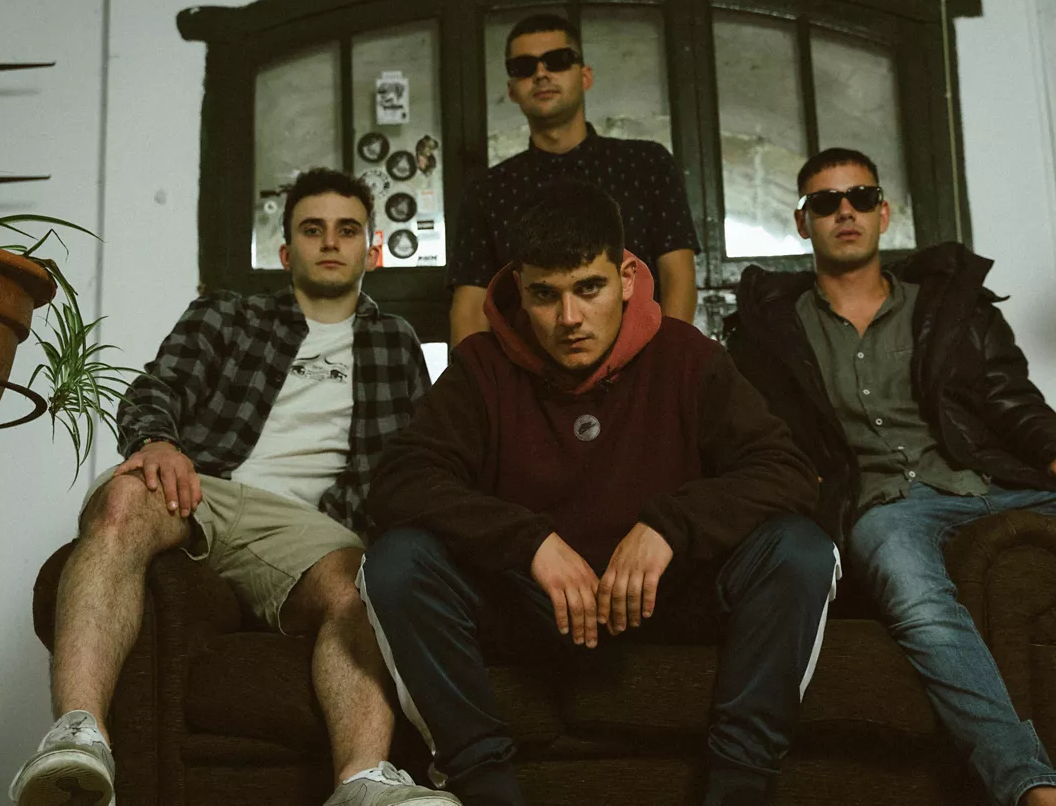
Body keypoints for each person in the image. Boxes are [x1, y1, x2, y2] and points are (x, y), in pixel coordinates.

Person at [725, 147, 1056, 806]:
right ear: (802, 222)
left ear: (884, 212)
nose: (844, 211)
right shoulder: (771, 329)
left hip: (986, 486)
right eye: (825, 202)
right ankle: (1032, 785)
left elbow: (1008, 394)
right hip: (883, 510)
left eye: (860, 197)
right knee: (912, 584)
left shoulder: (949, 305)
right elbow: (761, 438)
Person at [359, 179, 838, 806]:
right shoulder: (481, 368)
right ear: (519, 289)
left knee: (800, 549)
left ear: (628, 279)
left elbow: (786, 470)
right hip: (530, 606)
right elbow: (399, 481)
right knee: (395, 562)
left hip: (666, 597)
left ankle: (738, 792)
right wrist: (528, 541)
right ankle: (485, 790)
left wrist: (669, 525)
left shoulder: (687, 357)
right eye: (545, 295)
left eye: (589, 288)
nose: (569, 319)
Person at [10, 168, 458, 806]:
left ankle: (362, 782)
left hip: (308, 532)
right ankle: (77, 739)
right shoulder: (229, 314)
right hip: (202, 490)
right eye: (313, 229)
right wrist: (155, 441)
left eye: (347, 229)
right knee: (123, 499)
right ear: (286, 251)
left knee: (360, 585)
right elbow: (158, 387)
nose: (331, 241)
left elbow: (414, 459)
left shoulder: (395, 342)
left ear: (371, 249)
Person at [447, 13, 700, 346]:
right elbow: (470, 309)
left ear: (585, 76)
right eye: (524, 67)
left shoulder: (646, 165)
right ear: (511, 89)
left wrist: (666, 363)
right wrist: (473, 378)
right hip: (523, 373)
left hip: (643, 364)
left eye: (558, 60)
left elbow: (678, 277)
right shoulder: (488, 191)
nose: (541, 73)